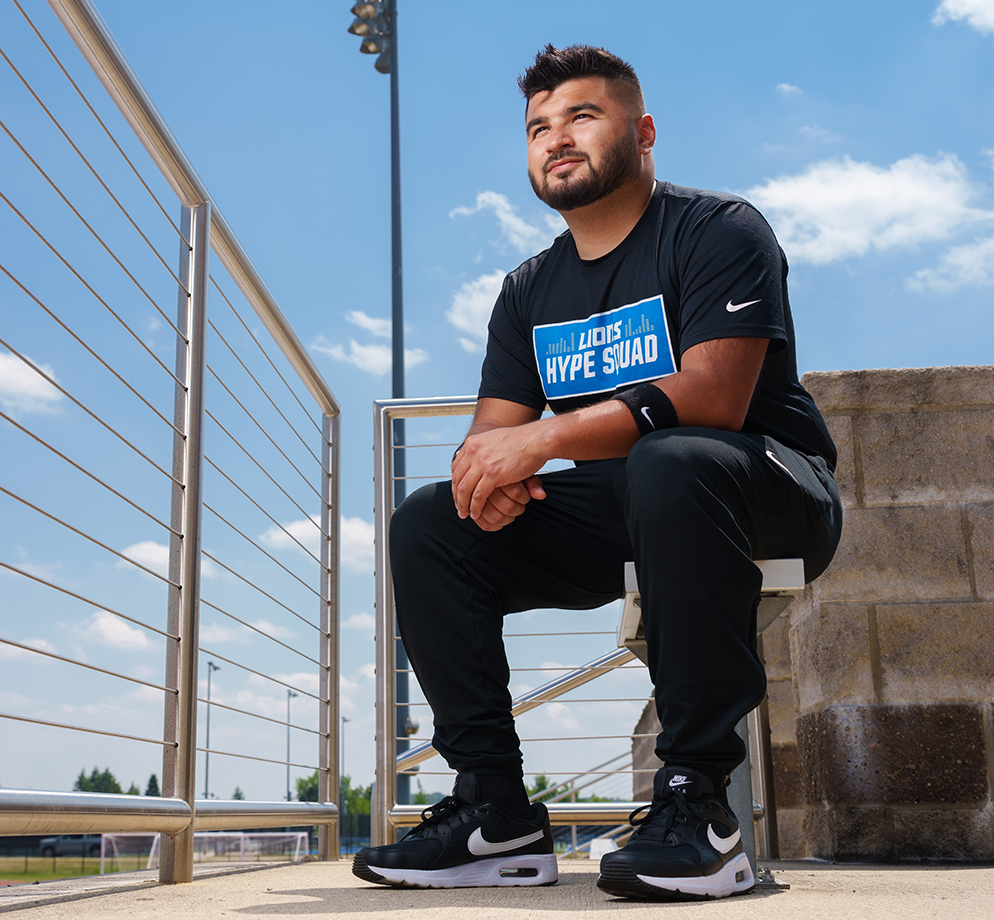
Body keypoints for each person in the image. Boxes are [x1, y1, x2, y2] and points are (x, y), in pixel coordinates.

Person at [352, 44, 842, 900]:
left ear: (642, 131)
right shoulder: (530, 289)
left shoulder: (718, 228)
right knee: (433, 520)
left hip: (765, 486)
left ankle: (698, 800)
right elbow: (490, 445)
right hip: (638, 501)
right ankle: (493, 808)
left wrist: (541, 444)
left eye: (582, 116)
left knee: (672, 456)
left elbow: (717, 397)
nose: (556, 138)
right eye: (539, 126)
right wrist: (490, 478)